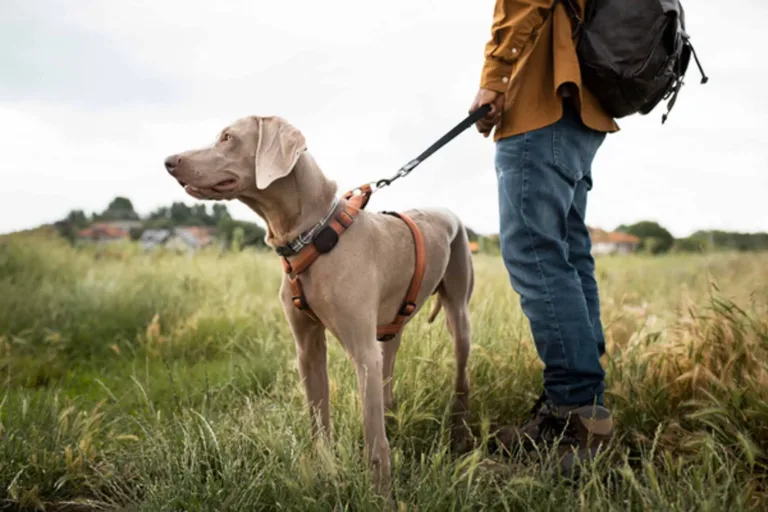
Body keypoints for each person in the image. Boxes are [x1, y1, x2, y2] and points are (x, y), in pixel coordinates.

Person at [469, 0, 616, 471]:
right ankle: (584, 405)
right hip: (582, 107)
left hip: (542, 103)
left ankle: (574, 414)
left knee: (536, 255)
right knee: (567, 254)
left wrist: (495, 78)